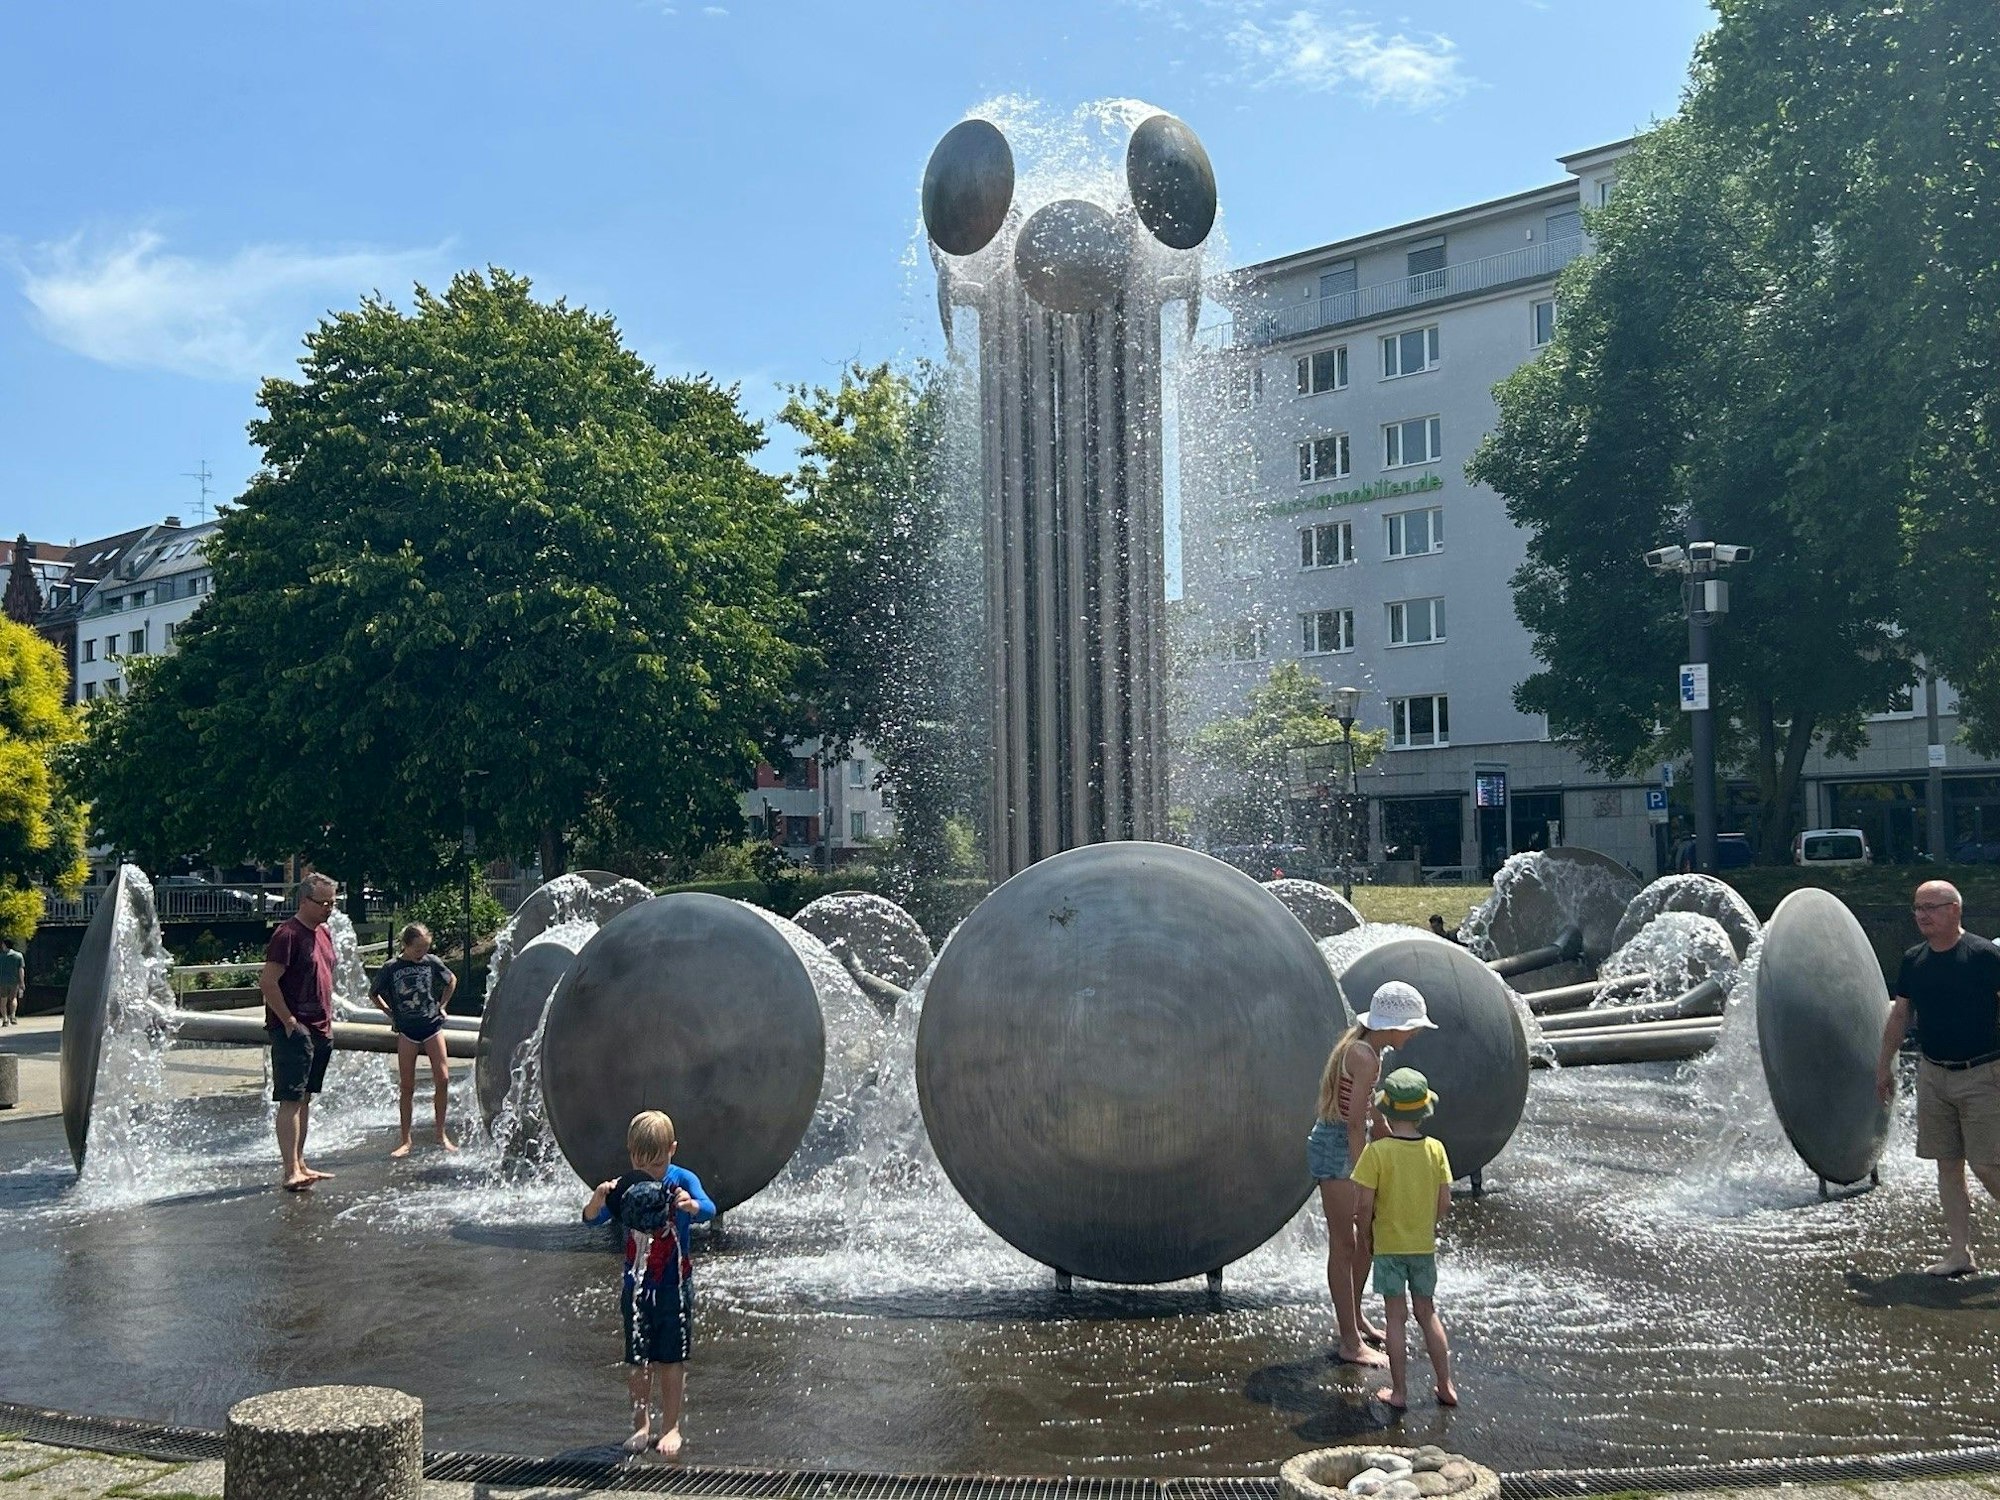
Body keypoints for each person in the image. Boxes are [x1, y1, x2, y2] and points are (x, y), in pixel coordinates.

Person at [1308, 980, 1439, 1367]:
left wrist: (1392, 1139)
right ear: (1392, 1026)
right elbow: (1351, 1123)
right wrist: (1368, 1172)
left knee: (1365, 1239)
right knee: (1345, 1243)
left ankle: (1355, 1318)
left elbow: (1367, 1110)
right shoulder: (1365, 1056)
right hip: (1337, 1147)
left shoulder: (1366, 1048)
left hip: (1344, 1140)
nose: (1414, 1033)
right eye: (1412, 1026)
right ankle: (1349, 1342)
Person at [1876, 879, 2000, 1277]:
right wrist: (1883, 1065)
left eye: (1931, 907)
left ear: (1955, 910)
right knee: (1947, 1163)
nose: (1922, 915)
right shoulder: (1914, 959)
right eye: (1917, 908)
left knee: (1987, 1165)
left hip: (1983, 1071)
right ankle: (1960, 1253)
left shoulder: (1983, 955)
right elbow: (1900, 1015)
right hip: (1934, 1073)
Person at [583, 1110, 715, 1457]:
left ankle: (671, 1426)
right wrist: (597, 1200)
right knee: (638, 1361)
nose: (650, 1172)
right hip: (637, 1288)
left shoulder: (682, 1179)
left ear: (672, 1149)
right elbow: (592, 1221)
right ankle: (641, 1424)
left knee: (671, 1361)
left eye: (657, 1164)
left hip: (674, 1286)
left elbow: (710, 1207)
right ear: (630, 1154)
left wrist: (692, 1205)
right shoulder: (627, 1186)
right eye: (642, 1163)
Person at [1351, 1066, 1458, 1412]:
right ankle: (1445, 1384)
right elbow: (1444, 1202)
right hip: (1422, 1247)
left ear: (1387, 1110)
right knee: (1427, 1312)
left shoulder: (1378, 1153)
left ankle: (1399, 1392)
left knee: (1395, 1318)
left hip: (1389, 1249)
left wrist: (1366, 1234)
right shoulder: (1436, 1150)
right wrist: (1428, 1225)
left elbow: (1364, 1204)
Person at [258, 872, 339, 1192]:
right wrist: (289, 1021)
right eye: (323, 903)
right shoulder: (287, 934)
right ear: (304, 901)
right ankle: (289, 1169)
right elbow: (268, 981)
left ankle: (301, 1162)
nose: (329, 908)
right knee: (291, 1099)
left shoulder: (324, 933)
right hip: (293, 1029)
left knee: (305, 1098)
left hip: (320, 1027)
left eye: (333, 902)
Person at [370, 921, 459, 1158]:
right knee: (407, 1085)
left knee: (443, 1078)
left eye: (425, 949)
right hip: (407, 1030)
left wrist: (442, 1005)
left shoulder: (431, 962)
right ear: (406, 946)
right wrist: (390, 1013)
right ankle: (405, 1140)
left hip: (431, 1026)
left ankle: (440, 1133)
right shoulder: (392, 967)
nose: (422, 954)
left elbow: (451, 980)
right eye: (418, 949)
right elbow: (374, 993)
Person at [0, 936, 23, 1026]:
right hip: (14, 981)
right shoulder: (18, 956)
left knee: (3, 1000)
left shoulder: (1, 957)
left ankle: (5, 1019)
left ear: (5, 945)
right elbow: (21, 970)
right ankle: (13, 1016)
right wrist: (22, 982)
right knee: (13, 998)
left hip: (2, 981)